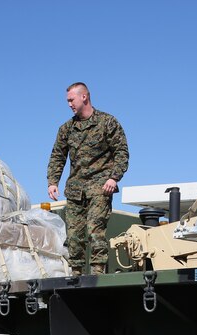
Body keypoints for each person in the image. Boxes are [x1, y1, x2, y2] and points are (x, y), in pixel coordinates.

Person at [47, 82, 129, 276]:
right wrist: (52, 181)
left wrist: (114, 178)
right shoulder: (67, 129)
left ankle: (97, 272)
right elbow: (58, 156)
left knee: (95, 230)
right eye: (67, 101)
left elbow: (121, 152)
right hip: (76, 189)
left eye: (71, 100)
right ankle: (76, 272)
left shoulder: (107, 122)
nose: (69, 104)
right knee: (74, 236)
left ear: (84, 97)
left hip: (100, 188)